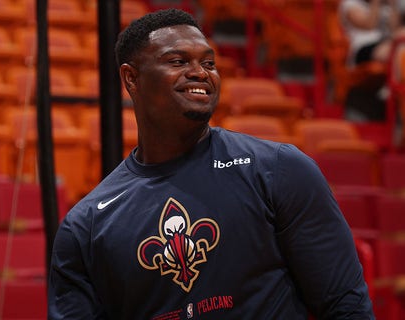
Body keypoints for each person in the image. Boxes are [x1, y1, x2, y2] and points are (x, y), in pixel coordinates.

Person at [48, 8, 374, 320]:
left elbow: (346, 305)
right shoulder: (87, 226)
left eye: (209, 63)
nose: (200, 72)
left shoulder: (279, 169)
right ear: (131, 78)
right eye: (178, 61)